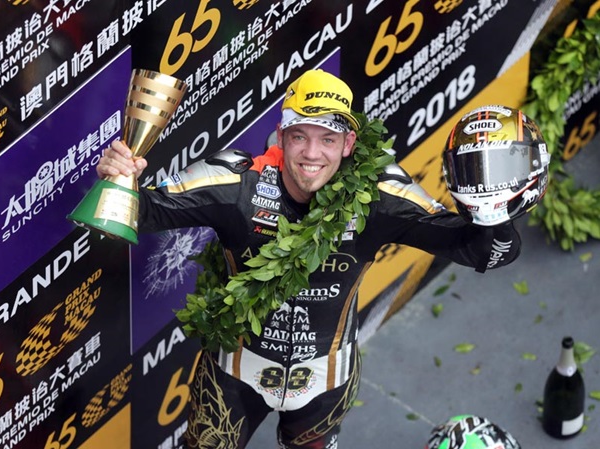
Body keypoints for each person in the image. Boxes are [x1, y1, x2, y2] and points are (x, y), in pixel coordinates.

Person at [96, 70, 534, 449]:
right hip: (232, 375)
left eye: (328, 138)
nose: (311, 153)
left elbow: (480, 250)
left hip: (325, 384)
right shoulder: (235, 183)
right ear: (282, 135)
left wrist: (494, 208)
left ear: (348, 144)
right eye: (300, 135)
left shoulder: (379, 197)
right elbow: (144, 211)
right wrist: (120, 176)